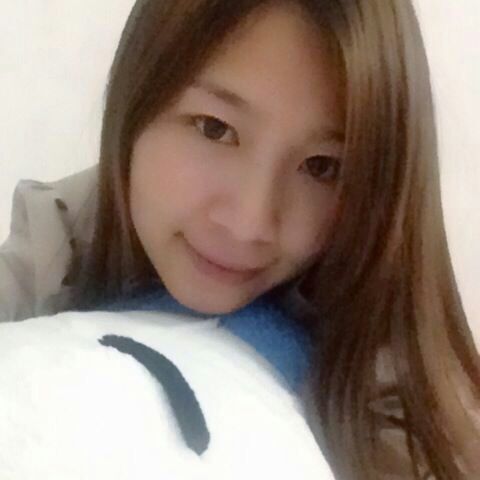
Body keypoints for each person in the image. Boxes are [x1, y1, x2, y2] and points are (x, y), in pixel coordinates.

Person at [1, 0, 479, 478]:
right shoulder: (54, 248)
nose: (249, 224)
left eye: (321, 166)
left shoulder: (411, 412)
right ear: (135, 103)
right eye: (215, 129)